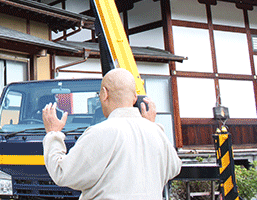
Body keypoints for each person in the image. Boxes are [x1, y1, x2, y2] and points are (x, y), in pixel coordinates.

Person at [42, 68, 182, 200]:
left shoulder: (99, 133)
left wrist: (53, 133)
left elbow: (63, 173)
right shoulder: (156, 132)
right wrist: (151, 126)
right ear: (134, 98)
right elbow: (174, 168)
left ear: (104, 94)